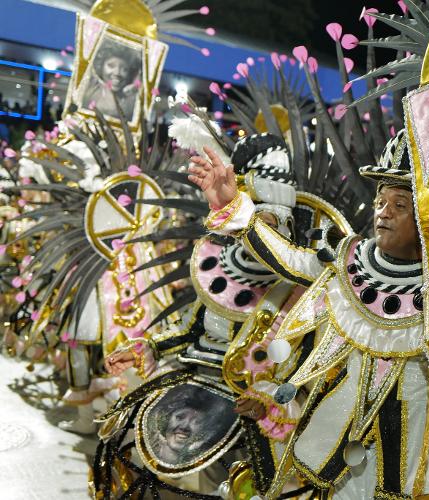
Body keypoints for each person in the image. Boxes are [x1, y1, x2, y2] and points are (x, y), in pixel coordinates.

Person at [189, 130, 429, 498]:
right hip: (342, 448)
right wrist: (236, 208)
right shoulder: (349, 260)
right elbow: (290, 260)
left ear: (426, 213)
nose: (384, 213)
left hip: (421, 448)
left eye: (399, 205)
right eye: (381, 201)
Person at [95, 134, 312, 498]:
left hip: (252, 407)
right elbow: (188, 332)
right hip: (192, 383)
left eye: (276, 221)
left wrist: (270, 401)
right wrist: (149, 346)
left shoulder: (303, 296)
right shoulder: (216, 272)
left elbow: (305, 374)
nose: (266, 229)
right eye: (257, 215)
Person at [81, 40, 140, 120]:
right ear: (101, 66)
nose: (117, 73)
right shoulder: (88, 92)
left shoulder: (133, 103)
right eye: (111, 66)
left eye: (124, 69)